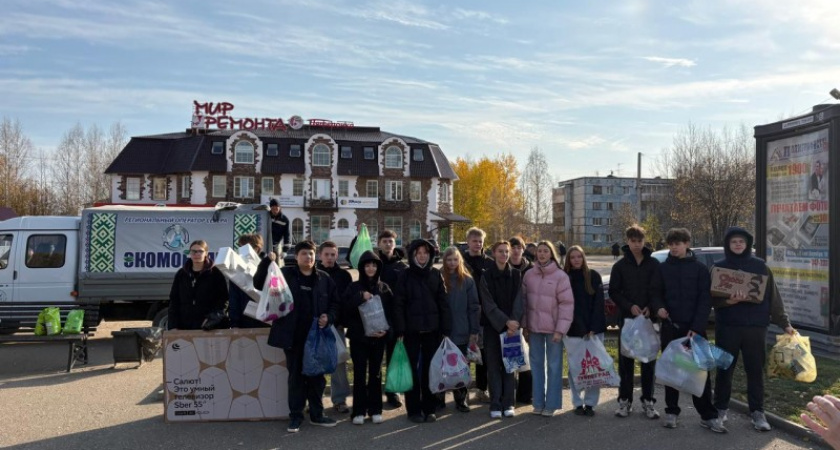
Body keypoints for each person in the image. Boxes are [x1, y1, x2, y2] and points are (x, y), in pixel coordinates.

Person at [711, 226, 795, 432]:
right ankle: (720, 410)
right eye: (734, 242)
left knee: (755, 371)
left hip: (755, 328)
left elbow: (773, 298)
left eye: (741, 241)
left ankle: (757, 412)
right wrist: (728, 301)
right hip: (727, 327)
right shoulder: (719, 267)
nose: (738, 245)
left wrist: (784, 323)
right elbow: (710, 298)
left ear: (747, 244)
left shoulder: (761, 267)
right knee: (724, 370)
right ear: (728, 245)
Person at [255, 240, 341, 433]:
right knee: (296, 377)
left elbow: (336, 303)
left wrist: (329, 317)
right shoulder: (284, 275)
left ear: (315, 256)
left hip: (316, 337)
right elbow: (259, 284)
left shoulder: (325, 279)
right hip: (291, 336)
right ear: (296, 256)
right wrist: (266, 263)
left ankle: (317, 415)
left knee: (317, 377)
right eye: (304, 253)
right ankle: (295, 416)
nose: (308, 257)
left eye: (311, 254)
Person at [656, 228, 724, 432]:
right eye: (671, 244)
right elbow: (655, 293)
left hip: (695, 330)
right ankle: (671, 412)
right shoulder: (663, 269)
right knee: (671, 371)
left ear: (687, 244)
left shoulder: (700, 270)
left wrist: (696, 326)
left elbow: (705, 301)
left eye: (678, 243)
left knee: (700, 373)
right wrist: (658, 307)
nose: (674, 247)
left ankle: (708, 415)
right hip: (670, 328)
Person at [393, 239, 451, 423]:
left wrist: (444, 327)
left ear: (430, 255)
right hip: (411, 331)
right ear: (413, 255)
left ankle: (429, 408)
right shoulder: (405, 275)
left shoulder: (435, 274)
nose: (422, 255)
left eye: (425, 252)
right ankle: (414, 410)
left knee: (429, 371)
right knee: (412, 371)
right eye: (419, 253)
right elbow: (398, 303)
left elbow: (443, 302)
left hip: (432, 330)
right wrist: (400, 327)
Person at [609, 224, 663, 420]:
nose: (637, 244)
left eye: (640, 241)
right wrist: (629, 306)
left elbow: (658, 289)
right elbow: (614, 291)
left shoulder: (654, 264)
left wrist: (651, 307)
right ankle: (625, 401)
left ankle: (648, 401)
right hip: (628, 320)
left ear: (644, 241)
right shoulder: (620, 266)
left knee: (649, 361)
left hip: (649, 319)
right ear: (628, 242)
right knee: (626, 362)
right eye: (633, 241)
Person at [342, 250, 394, 425]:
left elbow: (392, 314)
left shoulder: (384, 288)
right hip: (359, 339)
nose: (370, 268)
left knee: (376, 374)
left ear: (378, 267)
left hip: (378, 338)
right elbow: (345, 309)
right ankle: (358, 411)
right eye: (367, 265)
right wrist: (360, 297)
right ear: (362, 267)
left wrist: (387, 331)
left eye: (374, 265)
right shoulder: (353, 287)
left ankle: (375, 409)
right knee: (359, 374)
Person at [522, 241, 573, 418]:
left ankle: (551, 404)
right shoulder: (528, 275)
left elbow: (567, 304)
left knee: (554, 366)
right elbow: (524, 303)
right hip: (534, 328)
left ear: (551, 254)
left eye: (545, 251)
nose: (542, 254)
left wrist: (561, 330)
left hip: (554, 330)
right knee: (536, 366)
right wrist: (525, 326)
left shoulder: (560, 276)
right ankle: (538, 402)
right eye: (539, 251)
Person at [479, 241, 524, 419]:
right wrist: (505, 322)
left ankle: (508, 403)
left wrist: (513, 322)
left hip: (511, 329)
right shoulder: (486, 276)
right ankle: (495, 403)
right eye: (500, 251)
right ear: (493, 253)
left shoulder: (516, 275)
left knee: (510, 367)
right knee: (493, 367)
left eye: (507, 251)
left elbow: (519, 301)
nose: (504, 254)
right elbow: (488, 304)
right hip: (492, 328)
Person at [564, 245, 606, 416]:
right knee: (575, 368)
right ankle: (577, 402)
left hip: (593, 331)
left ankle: (590, 403)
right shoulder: (564, 277)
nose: (576, 260)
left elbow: (599, 304)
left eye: (579, 257)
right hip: (572, 331)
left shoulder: (593, 276)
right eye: (572, 257)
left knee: (593, 368)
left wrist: (593, 328)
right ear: (568, 260)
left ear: (583, 258)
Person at [440, 247, 480, 413]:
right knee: (442, 366)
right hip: (444, 331)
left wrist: (474, 330)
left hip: (463, 329)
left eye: (455, 260)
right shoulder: (439, 277)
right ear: (444, 261)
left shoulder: (468, 281)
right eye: (449, 260)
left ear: (460, 261)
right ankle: (439, 398)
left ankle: (461, 399)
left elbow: (474, 307)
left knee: (463, 367)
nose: (452, 263)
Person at [316, 241, 353, 414]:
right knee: (315, 364)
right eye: (326, 254)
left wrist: (339, 320)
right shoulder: (313, 273)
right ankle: (315, 399)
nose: (330, 258)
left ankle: (339, 399)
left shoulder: (344, 276)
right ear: (320, 255)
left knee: (338, 363)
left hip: (335, 325)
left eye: (333, 254)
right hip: (315, 326)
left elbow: (345, 302)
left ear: (337, 255)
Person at [376, 229, 408, 408]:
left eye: (391, 241)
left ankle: (392, 391)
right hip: (376, 317)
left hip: (396, 318)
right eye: (384, 241)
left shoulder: (402, 267)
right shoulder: (373, 264)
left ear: (395, 244)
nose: (388, 244)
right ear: (379, 243)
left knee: (394, 358)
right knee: (376, 358)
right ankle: (374, 391)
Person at [461, 227, 493, 403]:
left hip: (484, 316)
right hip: (464, 315)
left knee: (483, 354)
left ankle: (482, 389)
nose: (478, 244)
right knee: (465, 355)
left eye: (480, 241)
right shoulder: (460, 261)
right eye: (474, 241)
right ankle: (463, 390)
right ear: (468, 242)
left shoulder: (488, 263)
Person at [168, 240, 228, 331]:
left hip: (209, 327)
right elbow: (174, 300)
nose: (196, 254)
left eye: (200, 251)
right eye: (193, 251)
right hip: (184, 326)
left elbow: (223, 300)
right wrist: (173, 326)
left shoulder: (215, 274)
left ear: (206, 253)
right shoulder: (182, 274)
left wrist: (211, 319)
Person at [508, 237, 533, 405]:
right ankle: (508, 394)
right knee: (510, 360)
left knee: (527, 360)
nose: (516, 250)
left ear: (523, 249)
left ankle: (524, 395)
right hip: (508, 320)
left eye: (519, 247)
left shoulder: (531, 268)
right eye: (513, 247)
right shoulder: (503, 266)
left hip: (528, 318)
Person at [229, 234, 271, 329]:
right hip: (244, 321)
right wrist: (234, 323)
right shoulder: (237, 268)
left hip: (267, 320)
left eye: (244, 247)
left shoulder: (269, 266)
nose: (241, 250)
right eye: (240, 247)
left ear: (256, 248)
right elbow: (234, 298)